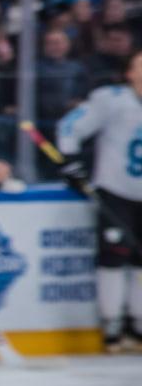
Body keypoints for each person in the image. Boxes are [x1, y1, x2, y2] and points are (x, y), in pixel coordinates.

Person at [57, 49, 142, 352]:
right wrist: (70, 159)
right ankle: (112, 323)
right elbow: (70, 126)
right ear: (129, 72)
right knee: (114, 257)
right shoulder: (111, 99)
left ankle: (138, 324)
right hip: (115, 191)